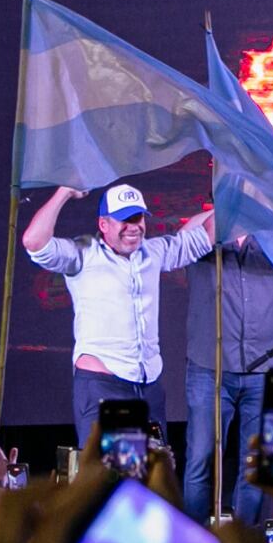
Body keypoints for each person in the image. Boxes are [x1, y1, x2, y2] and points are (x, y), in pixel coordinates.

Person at [22, 183, 214, 445]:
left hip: (148, 385)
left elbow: (206, 234)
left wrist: (238, 192)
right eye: (124, 220)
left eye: (137, 218)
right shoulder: (83, 254)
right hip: (104, 384)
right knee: (110, 479)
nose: (133, 227)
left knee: (153, 476)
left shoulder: (152, 252)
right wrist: (64, 192)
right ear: (103, 224)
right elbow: (34, 242)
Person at [182, 235, 273, 526]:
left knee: (253, 465)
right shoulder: (202, 242)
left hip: (262, 372)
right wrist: (217, 218)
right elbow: (179, 242)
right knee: (200, 459)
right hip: (209, 369)